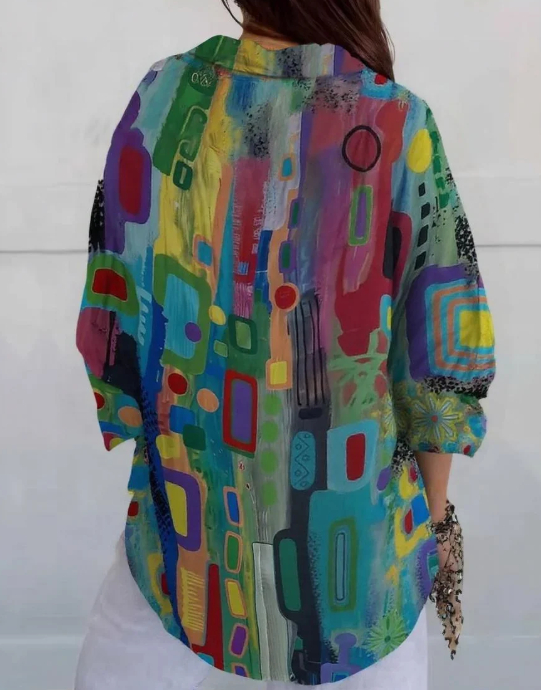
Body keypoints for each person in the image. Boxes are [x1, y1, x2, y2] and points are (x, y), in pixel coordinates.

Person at [75, 1, 496, 688]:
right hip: (360, 586)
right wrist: (440, 521)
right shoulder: (397, 123)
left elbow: (111, 313)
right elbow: (441, 358)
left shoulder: (163, 99)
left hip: (181, 553)